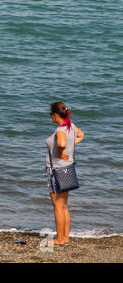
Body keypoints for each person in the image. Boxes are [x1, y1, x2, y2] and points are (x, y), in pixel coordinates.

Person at [46, 102, 85, 245]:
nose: (51, 117)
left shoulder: (61, 130)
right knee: (64, 205)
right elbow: (81, 135)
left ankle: (59, 239)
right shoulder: (71, 127)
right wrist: (70, 146)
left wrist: (61, 152)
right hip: (68, 168)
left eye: (50, 114)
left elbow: (61, 143)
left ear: (56, 115)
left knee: (57, 205)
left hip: (55, 169)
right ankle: (65, 237)